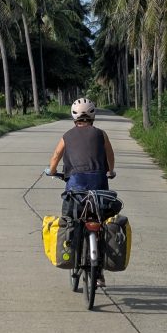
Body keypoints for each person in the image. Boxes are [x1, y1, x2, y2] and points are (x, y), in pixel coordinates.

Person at [48, 97, 115, 286]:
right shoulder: (101, 134)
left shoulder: (67, 136)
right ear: (93, 115)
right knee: (100, 220)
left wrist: (52, 172)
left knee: (70, 218)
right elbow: (110, 155)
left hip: (75, 185)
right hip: (99, 183)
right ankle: (99, 272)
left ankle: (71, 246)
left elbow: (55, 157)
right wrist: (110, 171)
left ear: (73, 116)